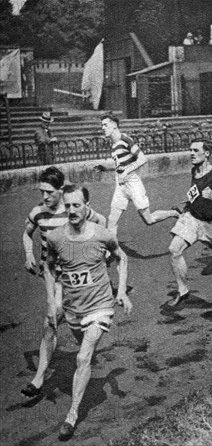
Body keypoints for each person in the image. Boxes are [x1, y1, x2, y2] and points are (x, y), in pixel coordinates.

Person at [21, 184, 131, 441]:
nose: (71, 210)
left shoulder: (102, 234)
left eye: (76, 205)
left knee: (82, 358)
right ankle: (77, 371)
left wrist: (122, 291)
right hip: (73, 308)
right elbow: (48, 268)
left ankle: (71, 416)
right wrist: (51, 301)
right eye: (68, 205)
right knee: (84, 352)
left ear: (87, 206)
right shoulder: (56, 237)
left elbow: (121, 257)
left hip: (100, 305)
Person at [167, 140, 212, 306]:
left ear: (207, 154)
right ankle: (183, 290)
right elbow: (195, 191)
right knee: (174, 249)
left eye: (196, 150)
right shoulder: (194, 170)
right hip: (193, 219)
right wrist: (189, 203)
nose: (191, 153)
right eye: (190, 150)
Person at [97, 113, 179, 236]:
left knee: (149, 220)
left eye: (105, 125)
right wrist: (105, 168)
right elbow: (120, 165)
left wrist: (127, 171)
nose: (103, 128)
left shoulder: (125, 140)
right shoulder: (114, 146)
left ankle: (174, 213)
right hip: (121, 185)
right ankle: (112, 252)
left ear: (114, 125)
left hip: (133, 183)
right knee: (112, 219)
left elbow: (142, 159)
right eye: (102, 125)